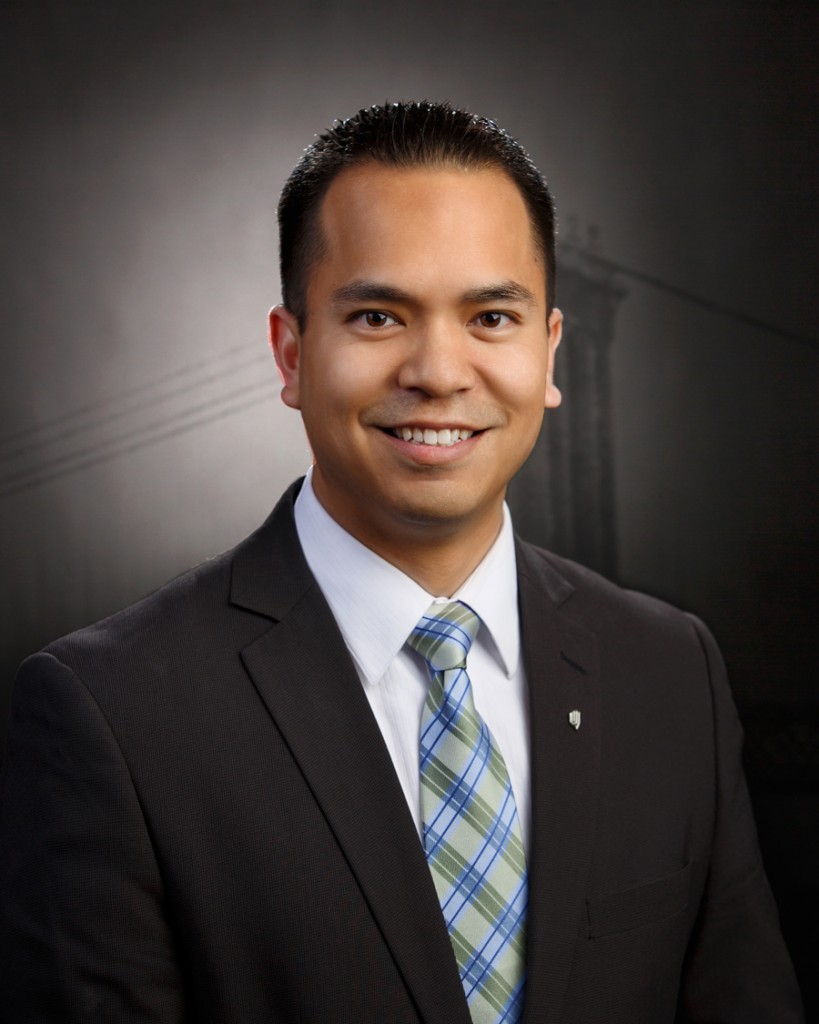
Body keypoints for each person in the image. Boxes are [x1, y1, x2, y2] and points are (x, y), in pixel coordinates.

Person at [0, 101, 804, 1024]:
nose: (438, 371)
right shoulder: (110, 711)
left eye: (491, 317)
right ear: (291, 353)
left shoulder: (668, 670)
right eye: (378, 316)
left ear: (548, 352)